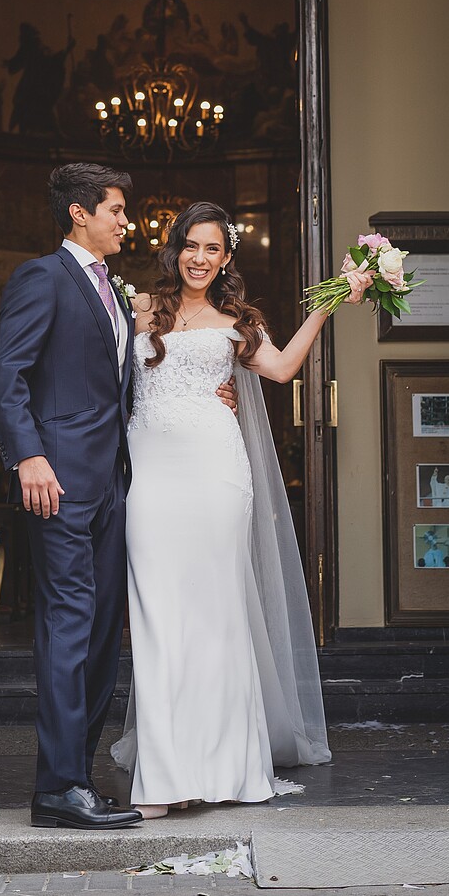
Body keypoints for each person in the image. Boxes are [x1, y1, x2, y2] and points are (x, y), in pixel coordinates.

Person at [0, 164, 235, 830]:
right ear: (79, 214)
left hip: (114, 486)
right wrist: (29, 456)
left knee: (100, 637)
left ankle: (79, 778)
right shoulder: (43, 277)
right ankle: (58, 788)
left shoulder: (117, 295)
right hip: (59, 484)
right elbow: (7, 371)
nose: (126, 221)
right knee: (68, 628)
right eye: (116, 210)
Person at [110, 201, 347, 816]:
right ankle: (165, 777)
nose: (199, 258)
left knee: (217, 621)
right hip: (154, 482)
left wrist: (335, 297)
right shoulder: (138, 309)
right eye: (191, 245)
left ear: (226, 258)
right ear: (175, 249)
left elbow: (284, 368)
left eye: (213, 249)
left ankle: (221, 770)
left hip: (217, 475)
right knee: (158, 620)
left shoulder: (238, 322)